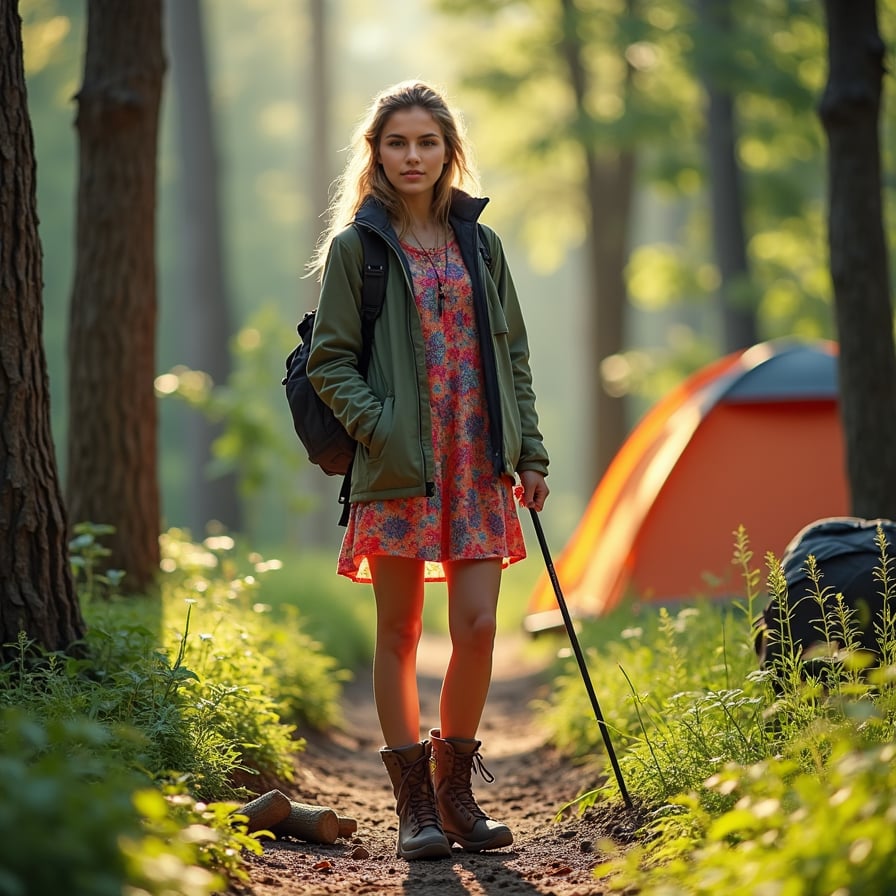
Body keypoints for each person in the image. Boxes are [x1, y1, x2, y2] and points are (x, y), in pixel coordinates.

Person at [306, 80, 550, 861]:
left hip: (478, 461)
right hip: (399, 467)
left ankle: (455, 797)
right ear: (375, 152)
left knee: (477, 626)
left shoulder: (484, 245)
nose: (412, 156)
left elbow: (511, 355)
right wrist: (380, 429)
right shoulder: (357, 250)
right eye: (396, 142)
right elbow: (328, 362)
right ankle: (412, 808)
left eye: (427, 142)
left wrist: (531, 450)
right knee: (401, 630)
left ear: (449, 151)